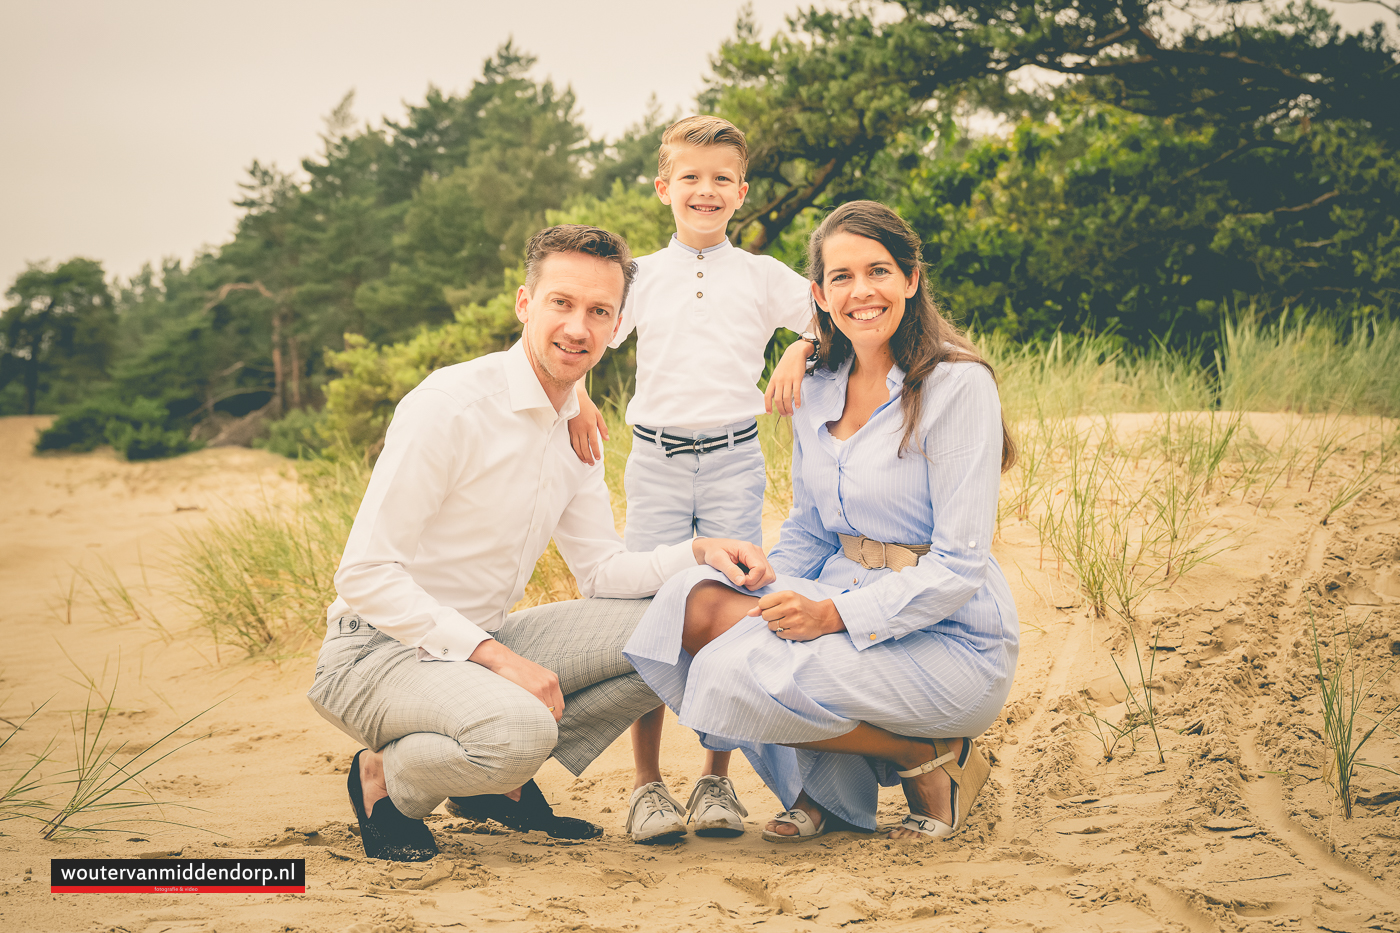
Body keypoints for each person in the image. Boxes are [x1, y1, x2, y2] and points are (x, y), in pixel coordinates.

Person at [306, 224, 773, 862]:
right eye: (562, 303)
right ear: (525, 304)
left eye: (599, 312)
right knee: (518, 730)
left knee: (673, 630)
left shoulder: (576, 428)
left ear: (616, 326)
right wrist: (499, 660)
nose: (579, 328)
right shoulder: (449, 406)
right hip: (376, 654)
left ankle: (488, 782)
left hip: (478, 643)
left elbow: (602, 572)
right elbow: (364, 574)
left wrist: (695, 555)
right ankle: (385, 778)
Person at [624, 200, 1019, 842]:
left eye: (879, 271)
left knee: (735, 672)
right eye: (842, 277)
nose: (862, 291)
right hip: (840, 587)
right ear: (819, 293)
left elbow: (960, 568)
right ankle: (838, 786)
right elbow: (811, 530)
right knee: (689, 604)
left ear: (911, 278)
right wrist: (766, 582)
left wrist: (830, 617)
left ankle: (920, 755)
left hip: (950, 635)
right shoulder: (816, 383)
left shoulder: (957, 384)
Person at [566, 116, 816, 843]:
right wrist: (579, 399)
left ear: (742, 191)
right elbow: (586, 338)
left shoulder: (764, 276)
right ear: (663, 188)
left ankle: (715, 779)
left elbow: (829, 315)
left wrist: (799, 347)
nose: (704, 190)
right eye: (690, 178)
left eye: (719, 179)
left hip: (736, 456)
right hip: (657, 460)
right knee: (652, 610)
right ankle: (647, 786)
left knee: (725, 609)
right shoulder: (638, 275)